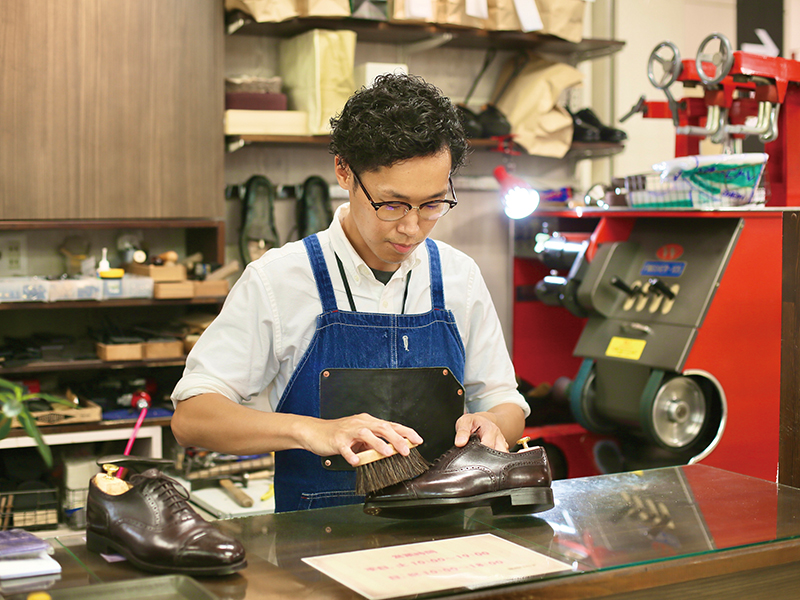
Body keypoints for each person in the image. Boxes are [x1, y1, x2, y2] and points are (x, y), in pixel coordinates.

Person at [170, 73, 530, 512]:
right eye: (392, 204)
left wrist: (493, 423)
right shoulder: (279, 279)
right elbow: (193, 418)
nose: (412, 227)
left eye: (433, 204)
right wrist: (312, 431)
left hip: (444, 543)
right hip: (314, 554)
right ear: (344, 170)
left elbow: (506, 402)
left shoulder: (460, 277)